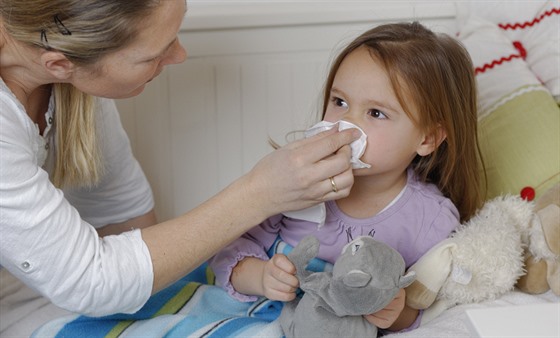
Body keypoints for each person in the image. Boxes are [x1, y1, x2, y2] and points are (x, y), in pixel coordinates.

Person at [0, 0, 361, 331]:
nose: (180, 55)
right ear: (60, 64)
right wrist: (260, 194)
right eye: (153, 55)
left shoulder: (74, 79)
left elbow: (121, 212)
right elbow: (93, 280)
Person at [209, 21, 485, 333]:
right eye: (340, 102)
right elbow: (228, 253)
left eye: (376, 113)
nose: (346, 123)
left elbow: (427, 308)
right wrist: (260, 276)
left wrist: (397, 312)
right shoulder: (296, 182)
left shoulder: (430, 219)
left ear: (428, 139)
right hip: (264, 316)